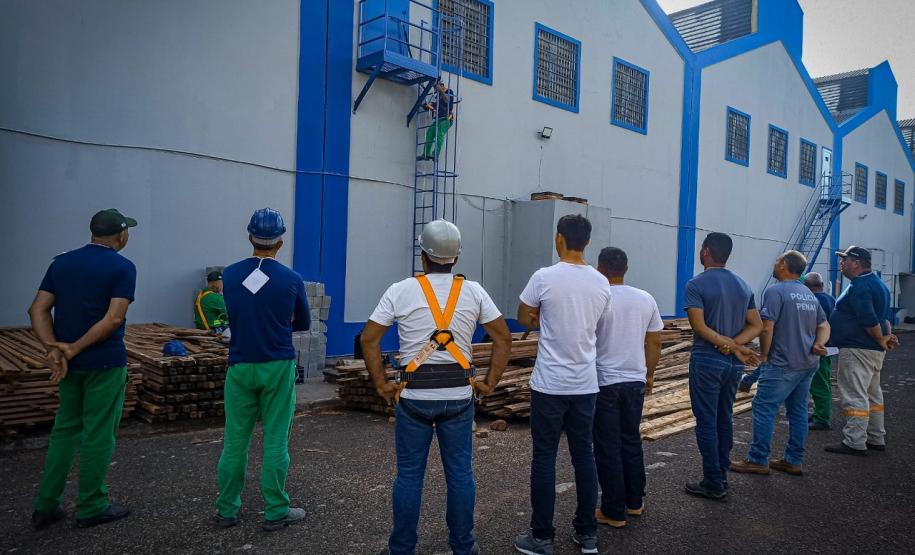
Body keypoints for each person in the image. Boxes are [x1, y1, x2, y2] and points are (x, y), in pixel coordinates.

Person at [361, 219, 512, 555]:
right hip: (459, 396)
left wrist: (383, 384)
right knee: (460, 473)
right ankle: (463, 545)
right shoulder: (474, 292)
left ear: (422, 255)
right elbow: (503, 337)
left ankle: (402, 548)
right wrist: (489, 382)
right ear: (456, 258)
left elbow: (369, 338)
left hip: (414, 397)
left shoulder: (400, 290)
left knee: (409, 476)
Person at [28, 208, 138, 529]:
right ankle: (91, 504)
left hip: (68, 366)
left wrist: (55, 350)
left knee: (64, 430)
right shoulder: (122, 267)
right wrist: (73, 347)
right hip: (104, 362)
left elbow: (38, 308)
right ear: (121, 235)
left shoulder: (61, 263)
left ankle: (46, 505)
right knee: (98, 433)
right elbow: (114, 318)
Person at [514, 214, 612, 555]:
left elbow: (523, 315)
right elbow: (597, 326)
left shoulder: (544, 277)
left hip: (549, 384)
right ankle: (587, 535)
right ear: (586, 242)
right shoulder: (601, 283)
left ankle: (541, 537)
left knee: (544, 457)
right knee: (584, 455)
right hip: (585, 384)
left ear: (559, 239)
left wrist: (542, 317)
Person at [214, 208, 310, 531]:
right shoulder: (292, 279)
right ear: (280, 242)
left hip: (240, 364)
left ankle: (227, 509)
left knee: (234, 441)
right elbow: (305, 322)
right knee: (275, 439)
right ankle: (275, 510)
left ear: (249, 236)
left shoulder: (228, 275)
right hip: (278, 364)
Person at [730, 251, 830, 476]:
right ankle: (793, 459)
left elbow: (767, 327)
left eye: (776, 262)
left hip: (783, 362)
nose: (774, 265)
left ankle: (757, 459)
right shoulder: (808, 294)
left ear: (784, 265)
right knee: (798, 410)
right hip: (807, 362)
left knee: (764, 407)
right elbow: (824, 326)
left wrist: (764, 355)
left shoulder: (775, 291)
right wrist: (818, 344)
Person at [682, 232, 762, 500]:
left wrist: (727, 345)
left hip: (706, 359)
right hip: (732, 365)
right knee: (723, 417)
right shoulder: (743, 285)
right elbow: (757, 325)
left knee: (706, 421)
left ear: (705, 251)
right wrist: (736, 346)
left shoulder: (696, 284)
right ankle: (722, 474)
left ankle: (713, 482)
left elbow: (699, 326)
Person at [591, 247, 662, 528]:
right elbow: (654, 343)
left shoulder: (599, 299)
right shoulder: (645, 298)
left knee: (607, 445)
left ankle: (612, 510)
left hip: (604, 381)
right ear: (626, 269)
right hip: (635, 380)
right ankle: (634, 501)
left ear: (599, 268)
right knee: (631, 440)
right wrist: (650, 375)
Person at [824, 246, 898, 456]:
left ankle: (854, 441)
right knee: (873, 395)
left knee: (855, 394)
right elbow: (882, 317)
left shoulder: (859, 285)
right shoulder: (878, 284)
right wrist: (885, 337)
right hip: (872, 351)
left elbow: (868, 317)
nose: (841, 263)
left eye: (844, 259)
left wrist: (880, 338)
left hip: (857, 349)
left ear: (856, 262)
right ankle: (876, 437)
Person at [803, 272, 837, 431]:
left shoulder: (814, 300)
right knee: (824, 380)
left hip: (818, 347)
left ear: (807, 286)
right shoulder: (831, 299)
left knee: (819, 383)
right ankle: (819, 413)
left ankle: (822, 418)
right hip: (829, 346)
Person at [417, 80, 454, 161]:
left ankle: (435, 154)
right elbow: (432, 106)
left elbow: (447, 101)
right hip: (438, 119)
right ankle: (426, 154)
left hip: (447, 119)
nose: (436, 91)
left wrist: (441, 91)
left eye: (436, 88)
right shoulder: (438, 99)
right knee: (430, 132)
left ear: (442, 86)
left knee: (440, 132)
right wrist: (426, 105)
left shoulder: (449, 91)